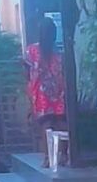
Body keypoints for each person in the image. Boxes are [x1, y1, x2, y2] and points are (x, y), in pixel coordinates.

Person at [25, 17, 66, 168]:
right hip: (58, 91)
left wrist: (30, 90)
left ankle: (49, 157)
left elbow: (26, 72)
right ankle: (63, 155)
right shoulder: (59, 51)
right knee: (61, 123)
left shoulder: (31, 51)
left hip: (40, 93)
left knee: (46, 124)